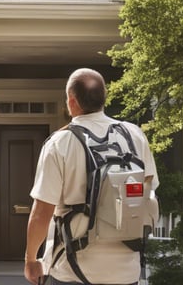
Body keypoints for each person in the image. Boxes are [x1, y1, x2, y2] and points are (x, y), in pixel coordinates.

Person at [23, 68, 158, 285]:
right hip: (126, 272)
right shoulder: (134, 135)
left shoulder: (60, 143)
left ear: (71, 100)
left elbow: (41, 213)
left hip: (73, 271)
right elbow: (147, 195)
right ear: (104, 97)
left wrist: (30, 259)